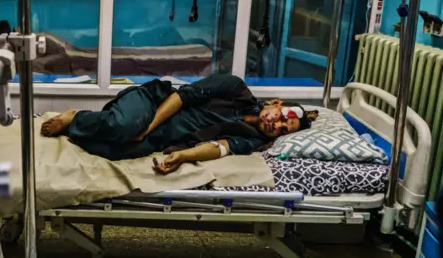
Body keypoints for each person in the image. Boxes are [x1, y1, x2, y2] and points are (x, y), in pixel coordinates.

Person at [41, 74, 316, 174]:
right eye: (281, 118)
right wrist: (146, 128)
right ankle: (75, 117)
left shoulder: (252, 141)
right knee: (125, 128)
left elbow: (219, 148)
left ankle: (85, 128)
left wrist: (183, 156)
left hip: (162, 137)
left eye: (282, 130)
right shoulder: (234, 88)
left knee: (112, 151)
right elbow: (180, 97)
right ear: (277, 104)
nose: (275, 125)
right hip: (152, 103)